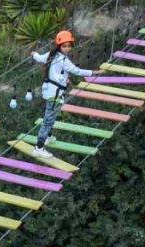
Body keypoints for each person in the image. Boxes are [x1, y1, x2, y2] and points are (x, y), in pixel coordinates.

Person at [31, 30, 104, 159]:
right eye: (65, 46)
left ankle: (48, 137)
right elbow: (77, 71)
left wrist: (34, 54)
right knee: (48, 120)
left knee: (51, 116)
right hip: (54, 93)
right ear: (59, 46)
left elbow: (40, 58)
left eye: (69, 45)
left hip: (50, 90)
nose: (67, 48)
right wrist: (94, 73)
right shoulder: (63, 59)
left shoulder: (51, 54)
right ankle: (39, 147)